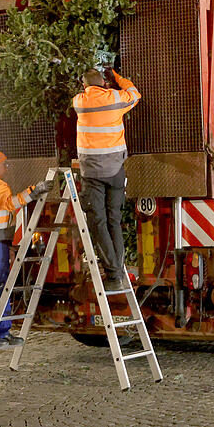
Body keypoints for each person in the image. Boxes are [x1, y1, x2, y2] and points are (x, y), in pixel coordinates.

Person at [0, 148, 52, 348]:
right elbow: (10, 203)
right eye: (2, 163)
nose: (5, 167)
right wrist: (34, 191)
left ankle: (0, 333)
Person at [72, 67, 140, 291]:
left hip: (91, 174)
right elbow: (135, 93)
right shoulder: (116, 98)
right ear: (104, 82)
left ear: (84, 86)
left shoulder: (79, 102)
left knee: (98, 223)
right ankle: (116, 273)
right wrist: (117, 78)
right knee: (114, 221)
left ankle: (114, 275)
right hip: (115, 172)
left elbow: (86, 93)